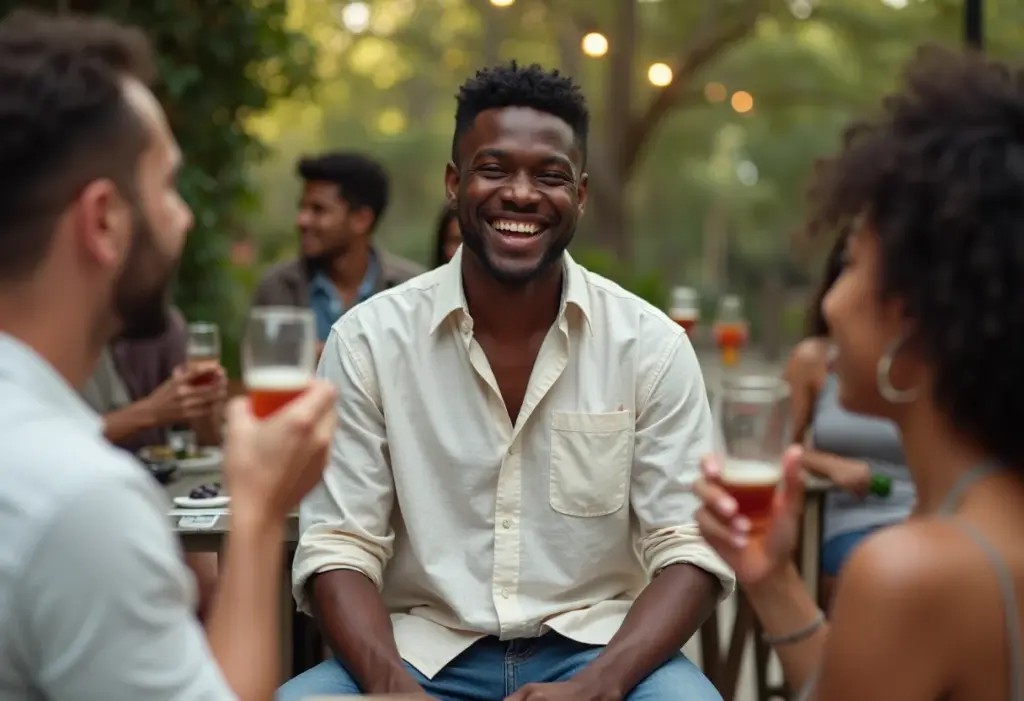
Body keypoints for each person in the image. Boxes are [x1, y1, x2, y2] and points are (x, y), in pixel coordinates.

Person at [279, 62, 732, 701]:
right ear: (453, 183)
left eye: (549, 175)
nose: (520, 194)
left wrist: (599, 687)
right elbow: (338, 545)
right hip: (417, 655)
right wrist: (389, 686)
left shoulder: (650, 346)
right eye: (494, 169)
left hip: (601, 652)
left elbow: (687, 546)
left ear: (580, 195)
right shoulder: (368, 341)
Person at [0, 10, 336, 701]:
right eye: (166, 186)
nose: (183, 217)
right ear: (104, 220)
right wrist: (260, 513)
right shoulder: (81, 499)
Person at [695, 47, 1024, 701]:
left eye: (850, 263)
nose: (830, 301)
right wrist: (774, 580)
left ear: (906, 314)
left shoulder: (909, 573)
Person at [784, 230, 913, 601]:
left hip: (927, 520)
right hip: (854, 523)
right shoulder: (813, 359)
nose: (834, 303)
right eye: (848, 265)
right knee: (883, 582)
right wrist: (829, 464)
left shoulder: (926, 363)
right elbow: (773, 451)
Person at [80, 306, 229, 622]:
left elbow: (208, 438)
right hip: (98, 496)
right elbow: (63, 438)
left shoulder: (167, 325)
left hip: (157, 484)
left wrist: (205, 407)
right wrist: (152, 410)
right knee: (205, 574)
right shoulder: (68, 333)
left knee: (212, 571)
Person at [252, 151, 425, 345]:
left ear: (361, 219)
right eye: (303, 208)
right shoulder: (278, 287)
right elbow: (261, 363)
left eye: (318, 210)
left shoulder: (411, 289)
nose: (302, 220)